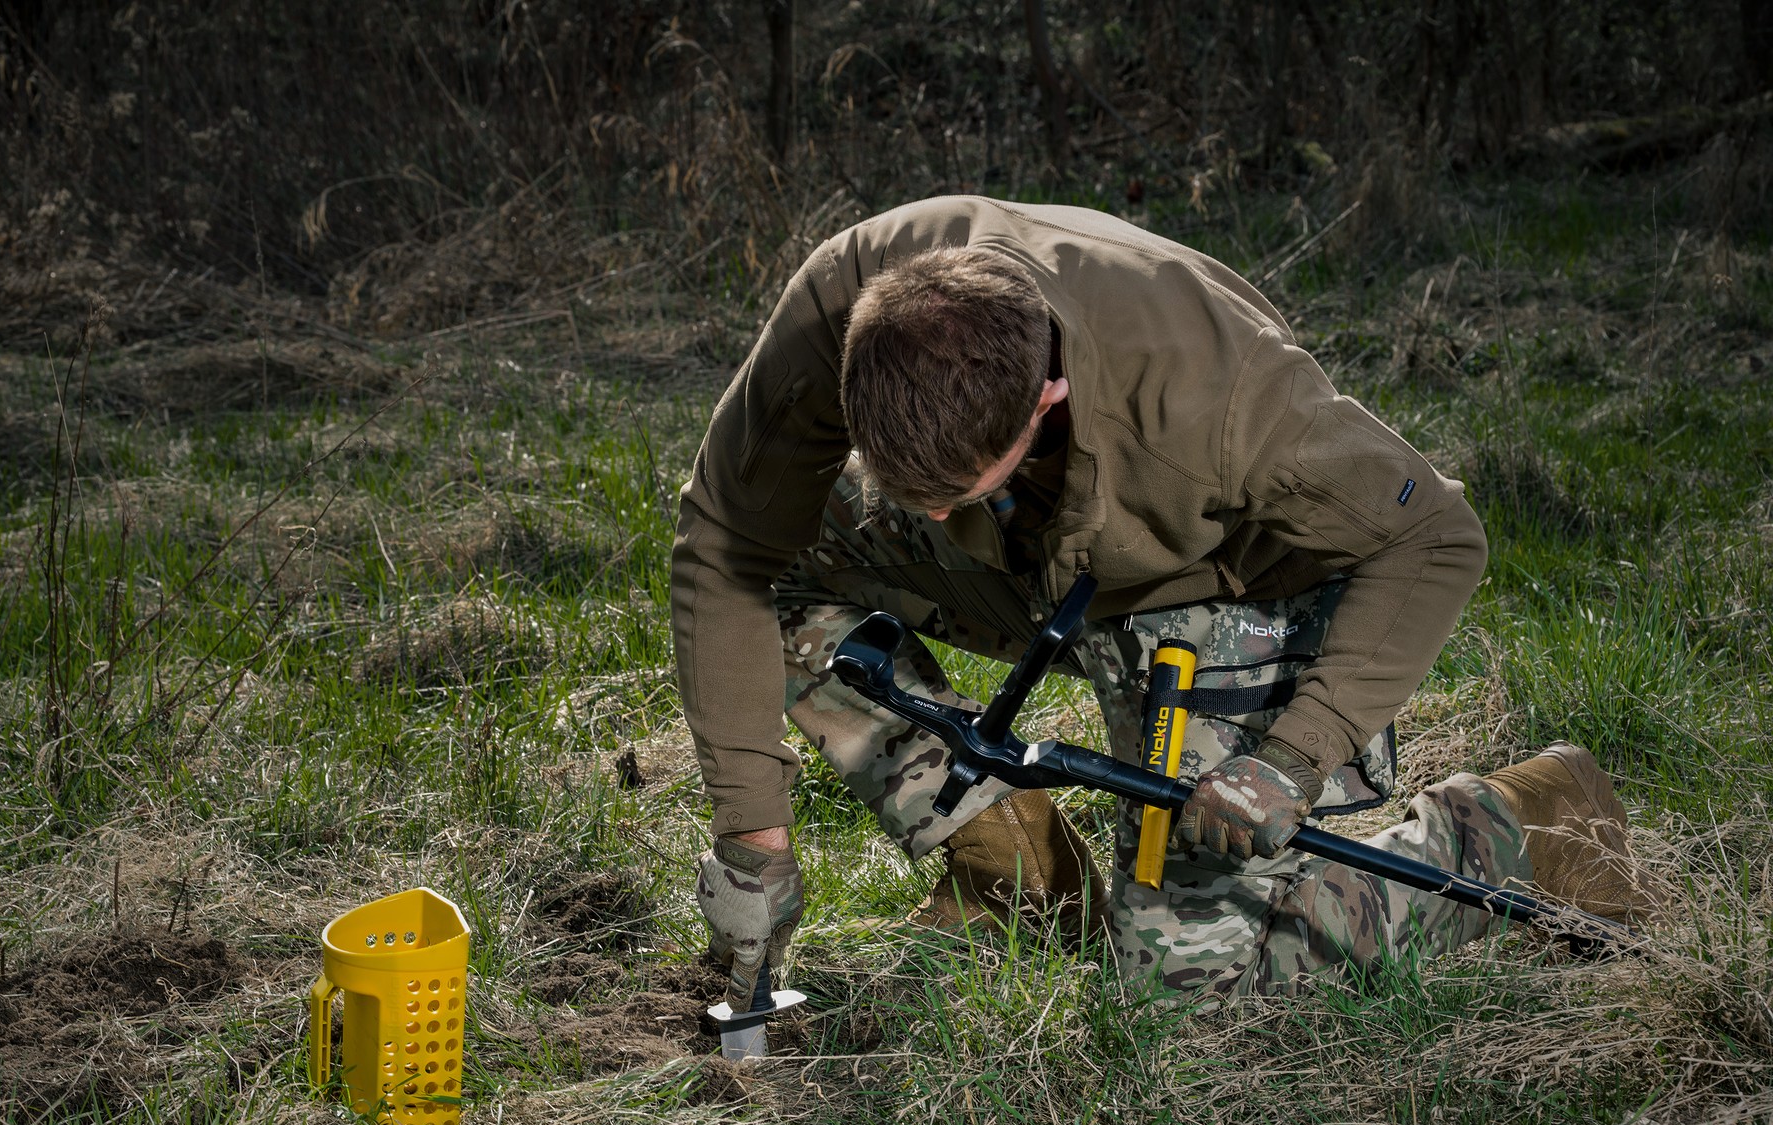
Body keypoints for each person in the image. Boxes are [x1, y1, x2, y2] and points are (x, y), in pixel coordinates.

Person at [676, 196, 1651, 1012]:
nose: (923, 515)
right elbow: (722, 544)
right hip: (1040, 565)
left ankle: (1532, 824)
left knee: (1192, 995)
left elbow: (1436, 534)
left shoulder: (1225, 400)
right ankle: (1012, 864)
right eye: (906, 487)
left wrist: (1291, 758)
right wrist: (752, 836)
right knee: (782, 557)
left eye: (954, 489)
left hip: (1220, 582)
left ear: (1046, 396)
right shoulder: (840, 306)